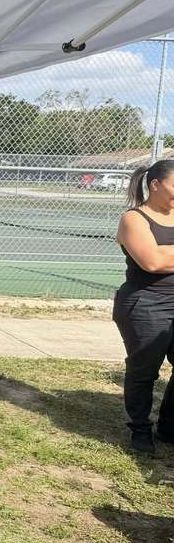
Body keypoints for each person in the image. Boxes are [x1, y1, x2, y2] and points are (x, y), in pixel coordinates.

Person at [114, 158, 174, 454]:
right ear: (155, 185)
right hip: (145, 303)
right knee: (145, 371)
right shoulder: (134, 219)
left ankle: (169, 426)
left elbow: (164, 256)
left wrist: (165, 252)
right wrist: (161, 255)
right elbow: (152, 261)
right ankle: (140, 428)